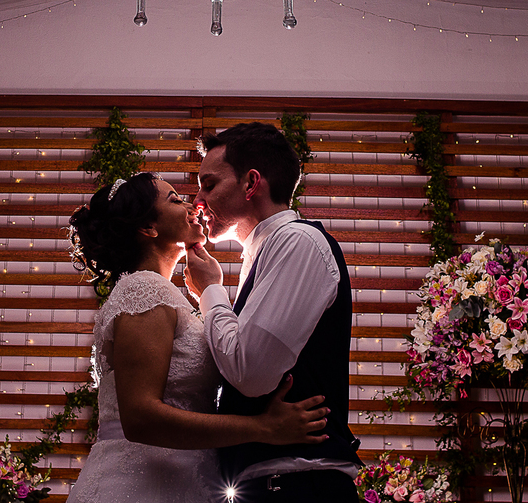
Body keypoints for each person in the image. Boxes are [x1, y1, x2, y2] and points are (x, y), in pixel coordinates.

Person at [65, 172, 330, 503]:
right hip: (142, 485)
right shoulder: (143, 290)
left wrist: (209, 290)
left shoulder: (166, 295)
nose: (192, 204)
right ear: (148, 228)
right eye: (175, 200)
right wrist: (264, 428)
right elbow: (140, 418)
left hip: (182, 479)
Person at [185, 122, 362, 503]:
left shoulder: (297, 243)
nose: (197, 199)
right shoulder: (261, 253)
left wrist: (210, 290)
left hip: (299, 486)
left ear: (251, 183)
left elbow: (251, 373)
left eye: (209, 184)